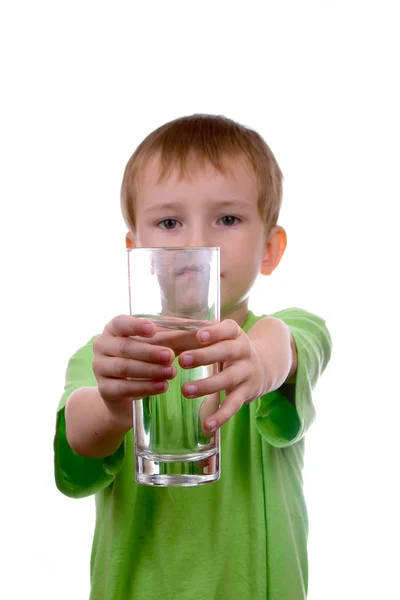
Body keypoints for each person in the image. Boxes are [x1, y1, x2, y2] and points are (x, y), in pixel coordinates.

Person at [54, 114, 332, 600]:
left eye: (227, 219)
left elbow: (288, 346)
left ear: (270, 248)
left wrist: (262, 363)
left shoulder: (284, 331)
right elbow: (78, 445)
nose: (195, 244)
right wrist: (114, 405)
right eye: (168, 222)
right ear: (134, 248)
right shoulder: (108, 358)